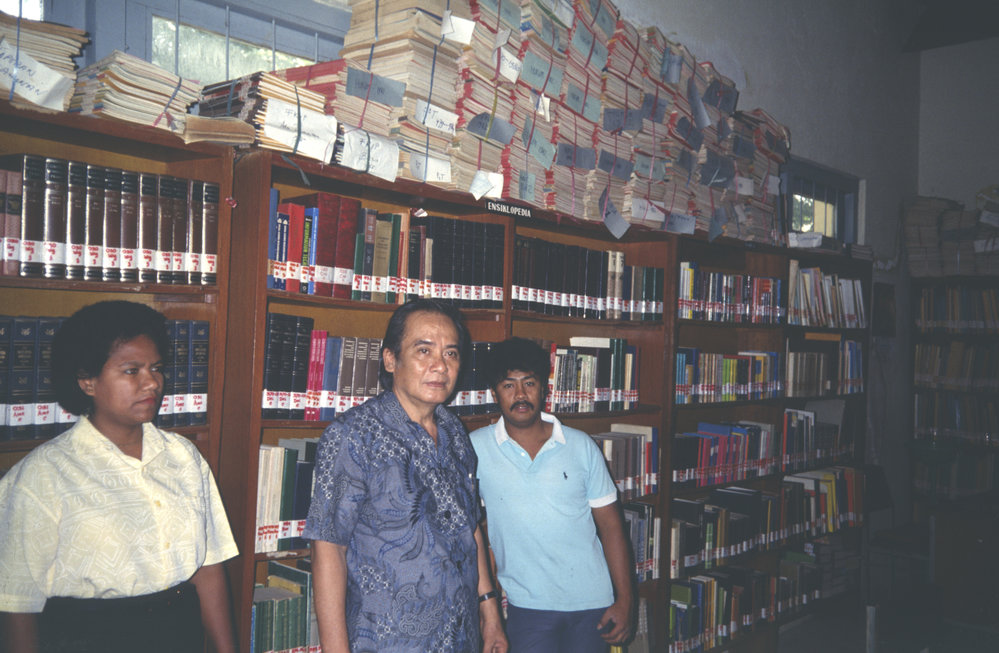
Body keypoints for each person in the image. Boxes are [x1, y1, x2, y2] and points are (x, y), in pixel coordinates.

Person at [0, 300, 238, 653]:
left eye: (156, 368)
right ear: (87, 381)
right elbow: (16, 603)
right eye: (131, 371)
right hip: (90, 639)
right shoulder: (42, 476)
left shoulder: (183, 457)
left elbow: (208, 565)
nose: (152, 382)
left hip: (178, 634)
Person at [303, 298, 507, 653]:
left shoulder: (455, 433)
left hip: (462, 639)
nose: (440, 366)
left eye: (451, 354)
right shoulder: (353, 436)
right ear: (390, 358)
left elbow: (470, 527)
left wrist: (490, 615)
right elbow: (328, 549)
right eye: (424, 351)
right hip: (388, 642)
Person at [470, 337, 634, 653]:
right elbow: (474, 531)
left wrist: (625, 599)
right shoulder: (475, 449)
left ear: (544, 388)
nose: (520, 395)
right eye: (508, 385)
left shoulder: (581, 445)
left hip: (593, 604)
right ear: (495, 393)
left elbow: (612, 527)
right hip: (528, 606)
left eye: (529, 383)